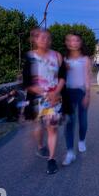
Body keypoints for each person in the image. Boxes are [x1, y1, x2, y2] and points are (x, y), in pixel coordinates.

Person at [22, 28, 66, 175]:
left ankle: (51, 160)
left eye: (47, 38)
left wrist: (56, 92)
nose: (44, 40)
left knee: (52, 128)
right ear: (34, 40)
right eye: (41, 38)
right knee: (38, 127)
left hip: (53, 99)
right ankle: (41, 146)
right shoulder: (30, 57)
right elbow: (27, 82)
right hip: (36, 98)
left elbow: (62, 77)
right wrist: (44, 93)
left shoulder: (57, 56)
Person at [62, 32, 92, 166]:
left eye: (76, 41)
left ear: (80, 43)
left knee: (83, 121)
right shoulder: (64, 59)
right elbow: (60, 76)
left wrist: (88, 94)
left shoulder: (85, 59)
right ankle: (69, 152)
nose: (73, 43)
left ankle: (81, 140)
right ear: (67, 43)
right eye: (70, 41)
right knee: (69, 122)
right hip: (68, 93)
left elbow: (87, 77)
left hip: (81, 92)